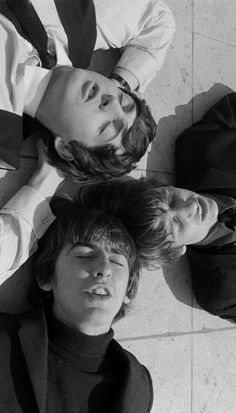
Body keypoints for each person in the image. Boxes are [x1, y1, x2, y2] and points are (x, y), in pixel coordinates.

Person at [75, 92, 236, 323]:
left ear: (164, 185)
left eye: (170, 199)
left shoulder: (200, 148)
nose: (189, 207)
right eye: (177, 224)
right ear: (177, 250)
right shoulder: (222, 293)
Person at [0, 0, 175, 182]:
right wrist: (120, 81)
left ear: (67, 148)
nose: (112, 102)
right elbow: (158, 22)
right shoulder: (83, 30)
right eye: (123, 100)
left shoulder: (4, 124)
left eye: (107, 127)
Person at [0, 205, 153, 412]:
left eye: (117, 261)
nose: (104, 269)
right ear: (46, 277)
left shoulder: (140, 385)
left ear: (128, 292)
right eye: (85, 255)